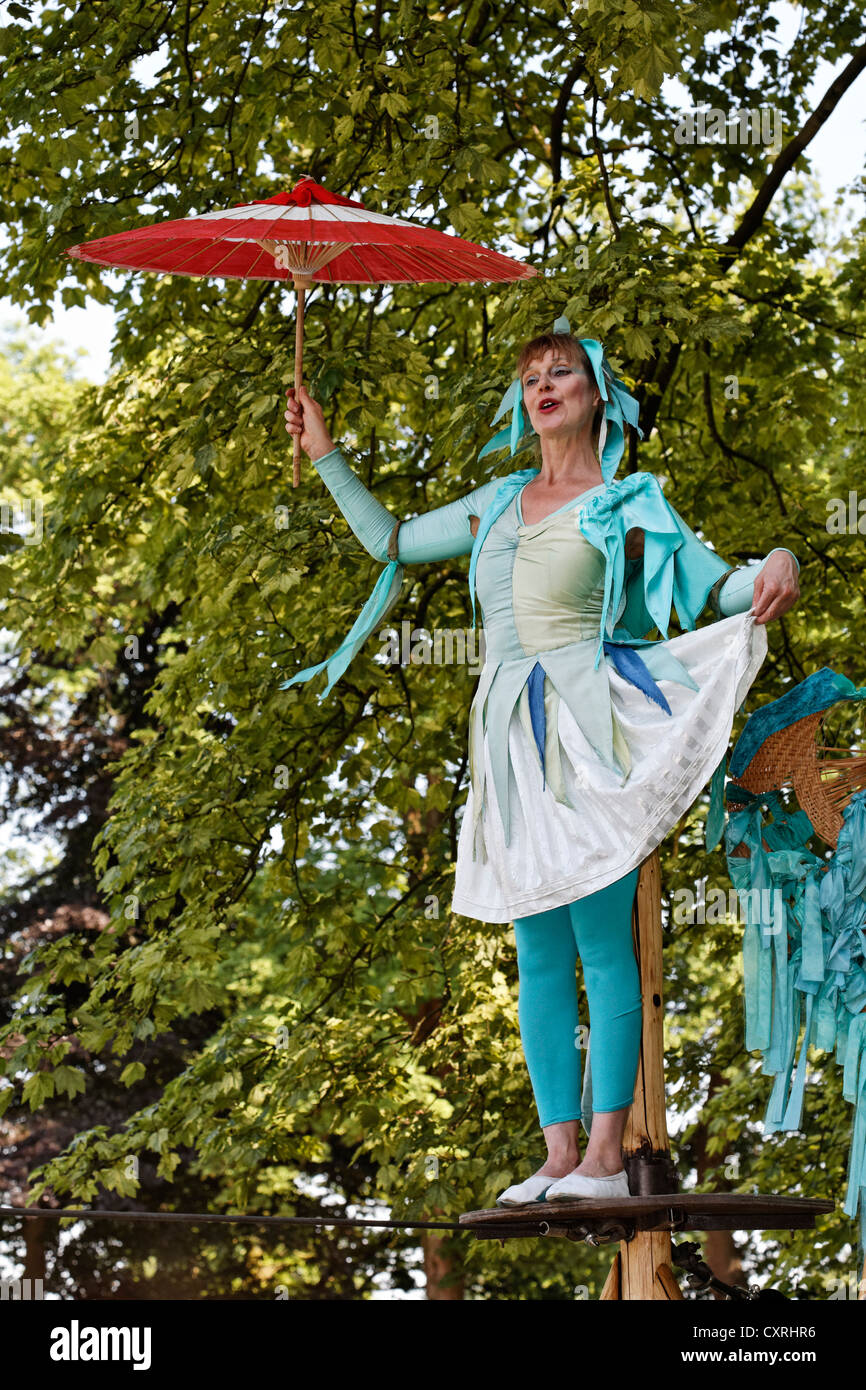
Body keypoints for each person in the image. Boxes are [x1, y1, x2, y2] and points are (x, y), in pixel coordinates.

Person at [282, 319, 801, 1207]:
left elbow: (716, 586)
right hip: (509, 749)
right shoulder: (493, 502)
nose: (544, 386)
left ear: (597, 396)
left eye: (562, 373)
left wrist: (775, 561)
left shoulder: (629, 502)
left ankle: (606, 1160)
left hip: (585, 735)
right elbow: (391, 542)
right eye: (531, 379)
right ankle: (559, 1158)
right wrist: (325, 451)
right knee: (535, 951)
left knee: (601, 943)